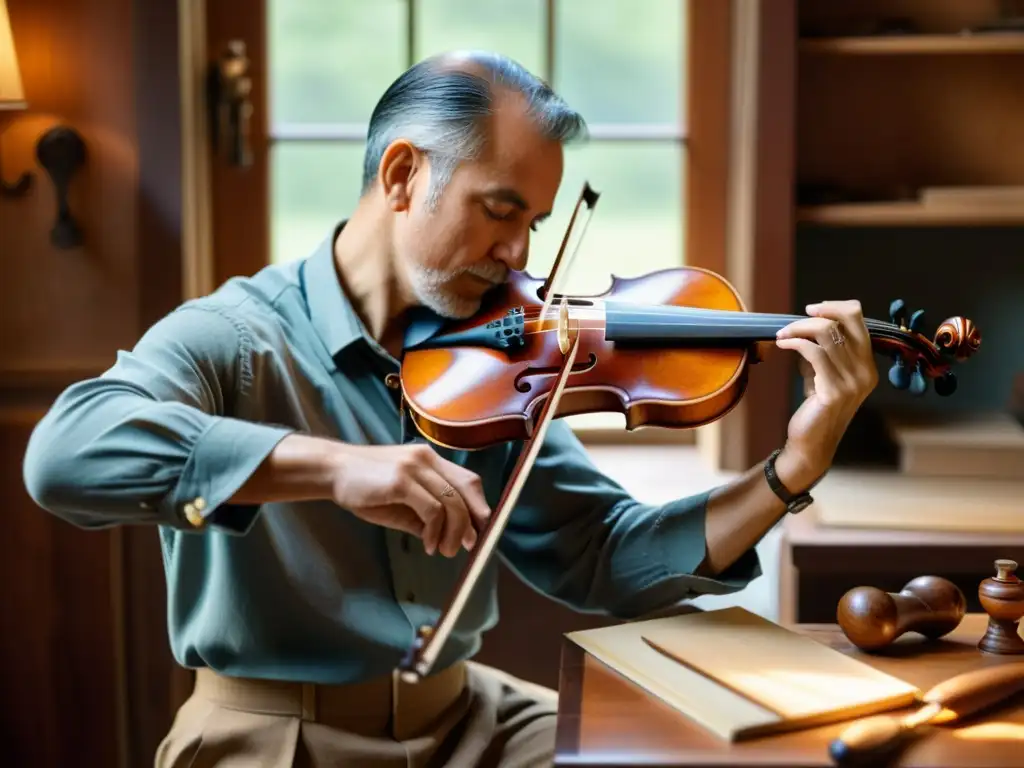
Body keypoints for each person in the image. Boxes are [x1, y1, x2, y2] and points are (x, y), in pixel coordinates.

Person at [22, 50, 879, 767]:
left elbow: (608, 557)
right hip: (272, 736)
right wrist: (336, 468)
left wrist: (790, 468)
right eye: (499, 210)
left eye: (536, 223)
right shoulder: (233, 338)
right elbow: (63, 455)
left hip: (471, 724)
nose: (517, 255)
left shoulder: (494, 363)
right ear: (402, 175)